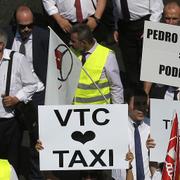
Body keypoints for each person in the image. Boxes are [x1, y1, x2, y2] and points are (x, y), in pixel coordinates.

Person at [5, 5, 50, 180]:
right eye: (22, 26)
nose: (26, 29)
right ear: (15, 23)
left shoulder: (44, 36)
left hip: (37, 94)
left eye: (29, 25)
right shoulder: (6, 36)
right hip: (12, 96)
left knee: (37, 142)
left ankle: (36, 177)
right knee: (11, 140)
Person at [0, 28, 38, 174]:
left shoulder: (18, 59)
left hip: (10, 121)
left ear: (1, 45)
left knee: (11, 162)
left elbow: (32, 84)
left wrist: (16, 98)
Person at [112, 0, 164, 89]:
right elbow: (116, 7)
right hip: (124, 26)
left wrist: (151, 28)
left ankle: (147, 93)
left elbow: (157, 8)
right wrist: (116, 27)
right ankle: (135, 94)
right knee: (129, 63)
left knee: (148, 62)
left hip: (144, 23)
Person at [70, 23, 124, 105]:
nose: (70, 43)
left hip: (99, 113)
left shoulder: (107, 55)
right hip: (76, 112)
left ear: (83, 42)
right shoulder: (71, 53)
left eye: (73, 41)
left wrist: (117, 111)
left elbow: (116, 86)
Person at [112, 88, 156, 180]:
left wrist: (152, 150)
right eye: (137, 104)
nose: (141, 108)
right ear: (127, 105)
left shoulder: (153, 126)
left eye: (144, 104)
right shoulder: (117, 126)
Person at [144, 0, 180, 100]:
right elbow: (150, 70)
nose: (171, 23)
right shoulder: (156, 38)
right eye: (167, 19)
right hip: (163, 91)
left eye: (175, 19)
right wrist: (145, 94)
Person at [42, 0, 111, 44]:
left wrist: (96, 18)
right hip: (66, 25)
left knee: (95, 55)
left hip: (91, 22)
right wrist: (59, 20)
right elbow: (48, 2)